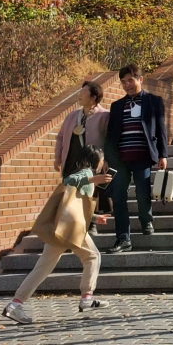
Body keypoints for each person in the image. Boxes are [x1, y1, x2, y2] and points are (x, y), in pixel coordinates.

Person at [2, 145, 112, 324]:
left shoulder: (86, 175)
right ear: (96, 160)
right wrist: (93, 179)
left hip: (63, 227)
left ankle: (15, 304)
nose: (103, 162)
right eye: (102, 159)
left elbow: (76, 205)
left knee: (43, 268)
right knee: (93, 256)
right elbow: (69, 181)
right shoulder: (85, 173)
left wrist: (94, 217)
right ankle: (87, 297)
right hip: (71, 229)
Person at [104, 64, 169, 254]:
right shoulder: (117, 106)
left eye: (130, 80)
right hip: (120, 159)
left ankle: (146, 220)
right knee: (118, 198)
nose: (127, 85)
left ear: (140, 79)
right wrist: (107, 158)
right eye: (123, 82)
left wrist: (163, 155)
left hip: (142, 156)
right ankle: (123, 238)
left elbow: (161, 129)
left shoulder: (154, 102)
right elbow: (110, 135)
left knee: (142, 192)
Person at [55, 81, 111, 234]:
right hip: (72, 159)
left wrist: (106, 159)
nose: (79, 94)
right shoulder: (72, 116)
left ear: (93, 97)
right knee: (70, 191)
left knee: (91, 191)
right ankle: (69, 225)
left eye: (83, 92)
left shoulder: (104, 116)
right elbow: (60, 137)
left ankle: (91, 224)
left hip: (91, 162)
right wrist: (58, 157)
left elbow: (110, 140)